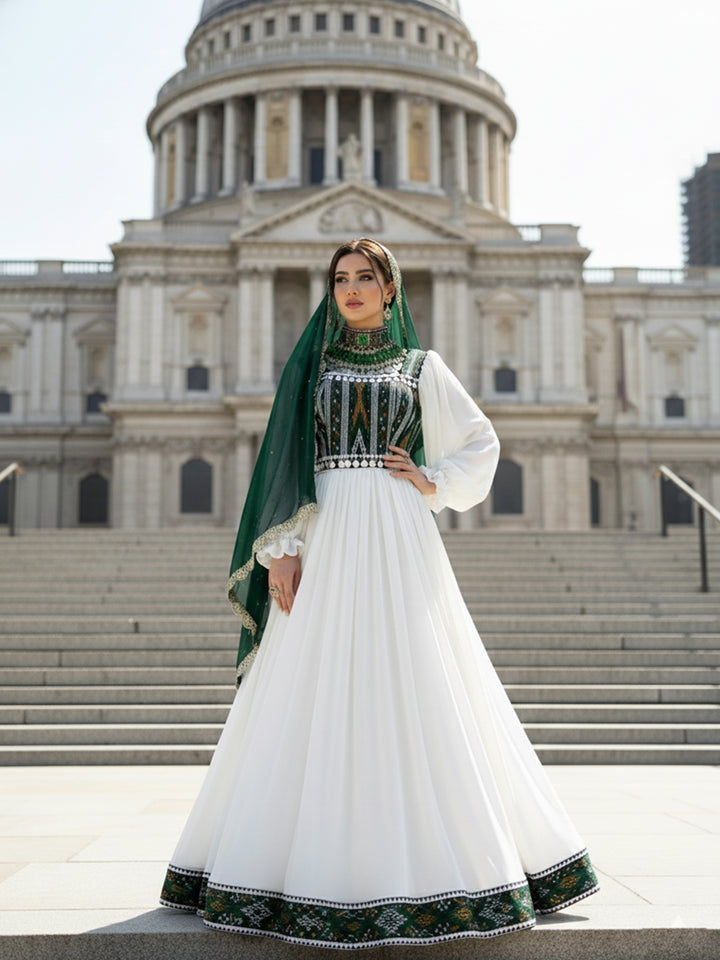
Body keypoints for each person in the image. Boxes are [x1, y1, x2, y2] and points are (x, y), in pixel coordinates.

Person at [160, 238, 598, 947]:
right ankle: (282, 870)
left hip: (397, 532)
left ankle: (436, 866)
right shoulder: (311, 368)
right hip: (325, 530)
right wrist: (281, 549)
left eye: (367, 278)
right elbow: (285, 465)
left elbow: (480, 442)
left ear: (391, 290)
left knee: (417, 675)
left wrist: (432, 481)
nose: (353, 289)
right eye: (341, 279)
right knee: (308, 680)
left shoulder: (422, 369)